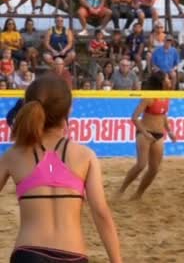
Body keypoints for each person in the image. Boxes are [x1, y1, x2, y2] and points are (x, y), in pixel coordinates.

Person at [0, 74, 122, 262]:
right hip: (72, 254)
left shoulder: (13, 155)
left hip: (28, 253)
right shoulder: (85, 156)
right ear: (69, 110)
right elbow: (101, 213)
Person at [117, 71, 176, 200]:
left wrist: (170, 131)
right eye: (167, 78)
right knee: (141, 165)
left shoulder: (166, 96)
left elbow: (163, 115)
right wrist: (145, 132)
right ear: (161, 82)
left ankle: (138, 194)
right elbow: (134, 117)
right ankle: (121, 190)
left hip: (159, 134)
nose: (169, 80)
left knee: (154, 169)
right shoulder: (148, 97)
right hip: (145, 133)